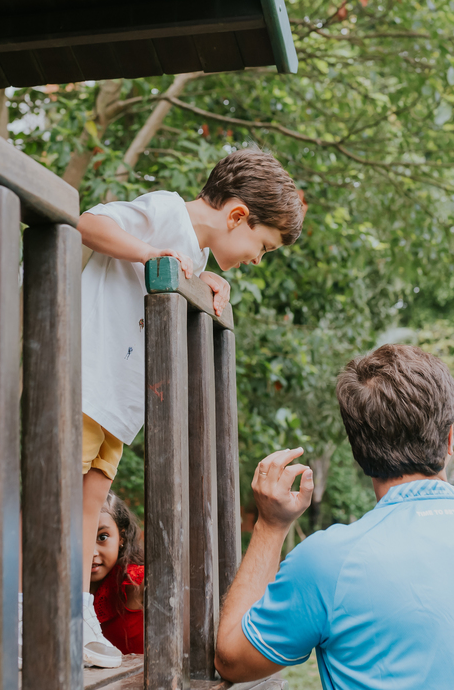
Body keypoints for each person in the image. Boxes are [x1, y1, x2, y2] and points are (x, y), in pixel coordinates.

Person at [214, 344, 454, 690]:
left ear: (358, 450)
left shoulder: (327, 562)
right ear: (450, 438)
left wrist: (271, 526)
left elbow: (231, 659)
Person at [77, 149, 304, 667]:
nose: (257, 259)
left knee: (89, 504)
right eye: (263, 246)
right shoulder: (165, 212)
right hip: (89, 381)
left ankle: (75, 608)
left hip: (118, 403)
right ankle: (37, 606)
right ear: (238, 215)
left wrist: (204, 282)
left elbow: (180, 270)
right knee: (62, 497)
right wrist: (148, 253)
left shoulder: (196, 255)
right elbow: (89, 223)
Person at [90, 493, 145, 655]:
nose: (92, 552)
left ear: (121, 537)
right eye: (78, 538)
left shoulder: (136, 581)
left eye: (102, 537)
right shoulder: (56, 588)